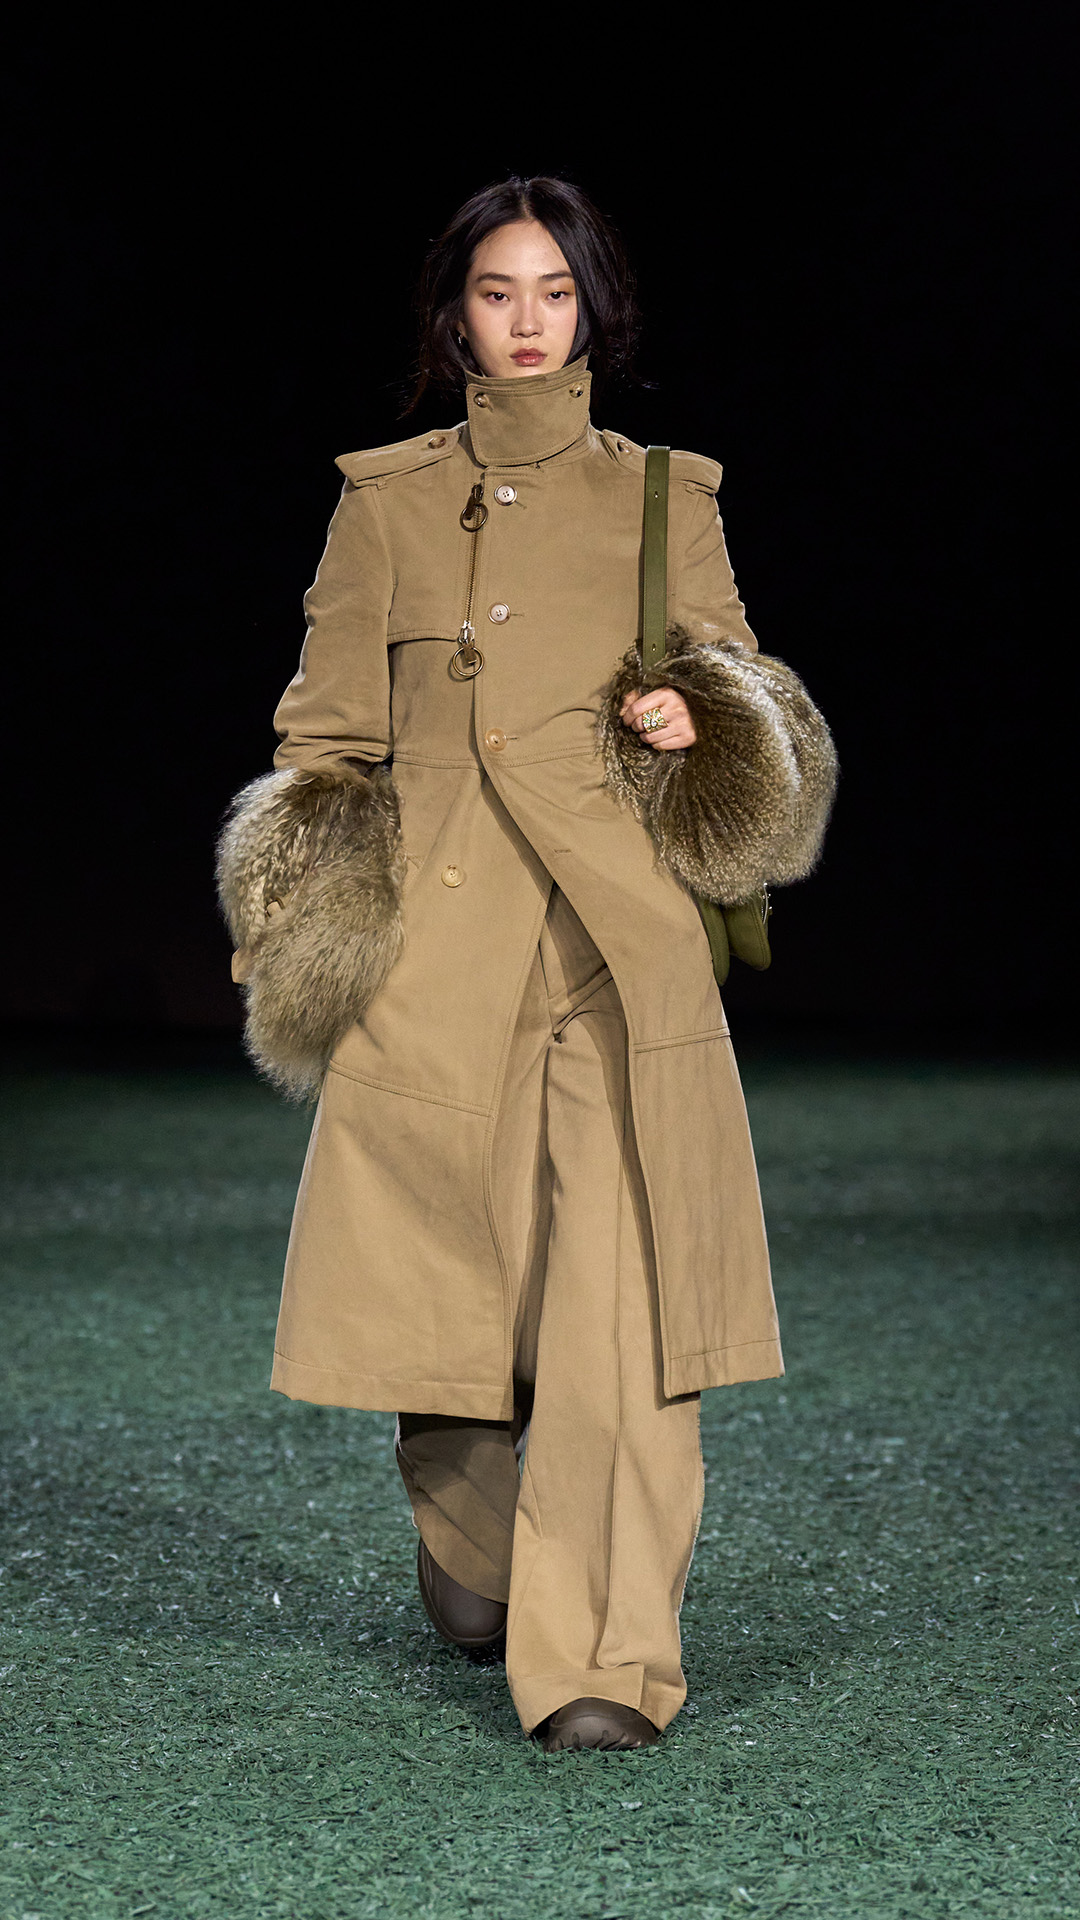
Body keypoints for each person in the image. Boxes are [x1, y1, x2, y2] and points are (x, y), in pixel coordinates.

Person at [216, 177, 836, 1753]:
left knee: (622, 1308)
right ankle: (477, 1529)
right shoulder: (384, 503)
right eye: (499, 291)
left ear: (592, 310)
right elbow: (327, 737)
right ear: (457, 317)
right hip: (431, 961)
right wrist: (289, 917)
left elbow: (751, 693)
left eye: (555, 291)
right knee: (449, 1293)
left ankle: (606, 1663)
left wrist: (702, 718)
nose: (528, 319)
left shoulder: (664, 498)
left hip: (613, 951)